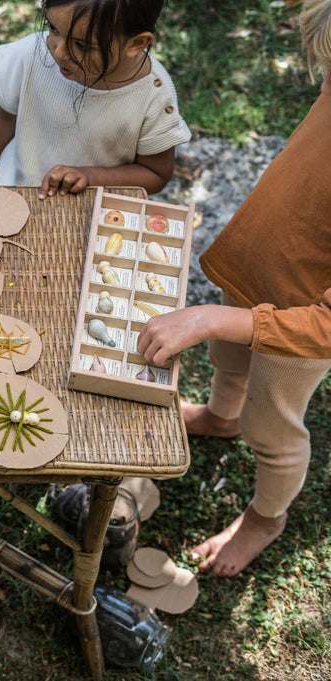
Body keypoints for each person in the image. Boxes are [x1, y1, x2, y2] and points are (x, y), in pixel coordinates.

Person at [136, 0, 331, 577]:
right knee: (229, 362)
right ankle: (221, 416)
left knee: (271, 426)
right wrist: (223, 320)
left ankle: (266, 519)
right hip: (260, 273)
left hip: (299, 324)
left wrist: (212, 319)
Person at [0, 0, 191, 200]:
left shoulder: (153, 94)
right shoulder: (29, 55)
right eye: (53, 28)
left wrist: (89, 176)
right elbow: (3, 120)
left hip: (92, 217)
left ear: (136, 43)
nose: (59, 52)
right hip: (14, 195)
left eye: (83, 46)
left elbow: (156, 174)